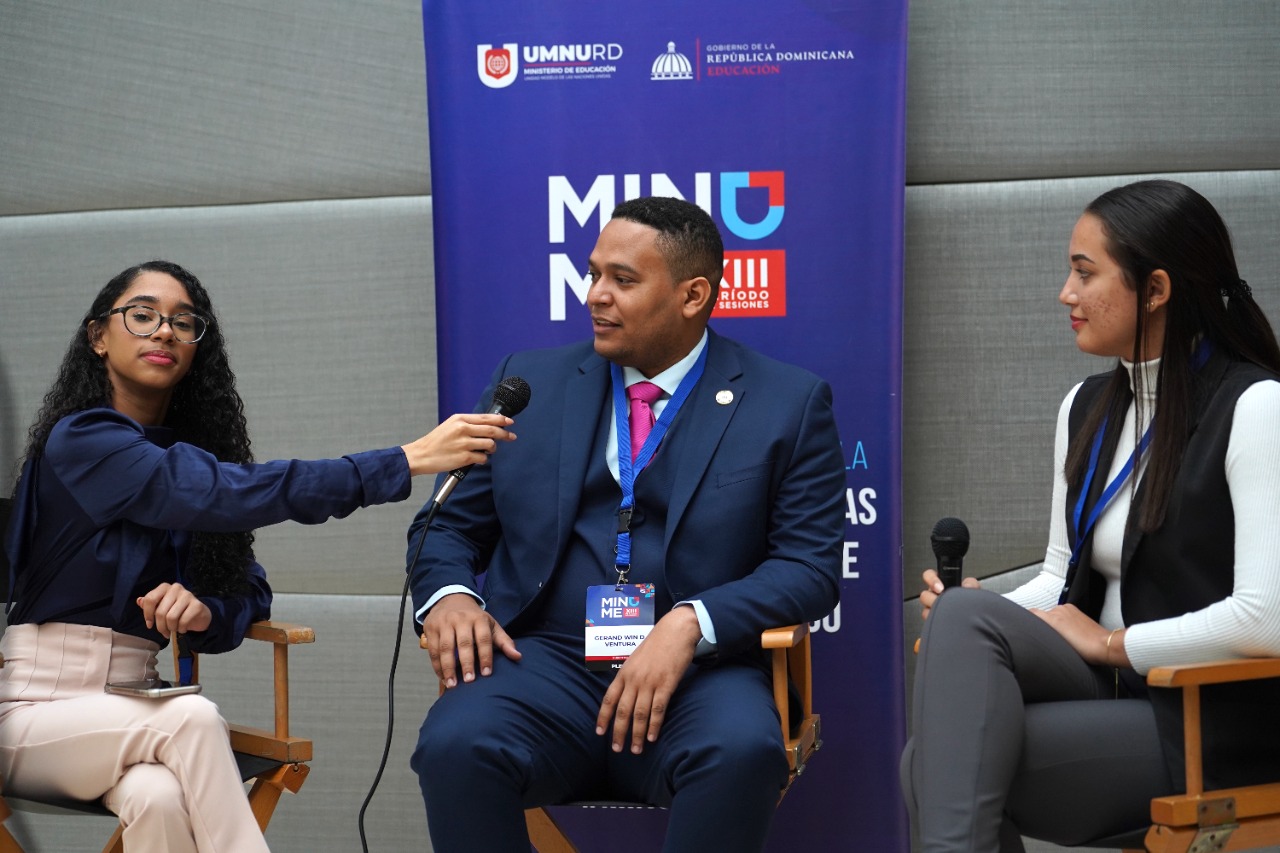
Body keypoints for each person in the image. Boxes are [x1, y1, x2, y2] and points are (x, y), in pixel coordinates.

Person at [0, 260, 515, 853]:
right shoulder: (84, 439)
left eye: (183, 322)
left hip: (133, 704)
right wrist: (403, 460)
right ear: (98, 336)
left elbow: (249, 590)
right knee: (193, 719)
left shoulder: (187, 458)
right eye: (142, 316)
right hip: (33, 707)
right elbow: (226, 492)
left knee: (157, 797)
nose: (164, 330)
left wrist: (205, 612)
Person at [408, 196, 845, 852]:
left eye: (623, 279)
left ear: (693, 296)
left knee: (742, 751)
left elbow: (809, 567)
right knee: (454, 742)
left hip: (701, 675)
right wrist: (449, 598)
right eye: (593, 274)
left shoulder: (787, 401)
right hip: (544, 662)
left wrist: (690, 623)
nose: (596, 295)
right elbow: (445, 527)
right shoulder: (528, 383)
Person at [901, 179, 1280, 851]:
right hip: (1109, 687)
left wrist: (1111, 644)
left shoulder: (1256, 407)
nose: (1065, 294)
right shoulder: (1085, 405)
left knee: (929, 765)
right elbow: (1059, 577)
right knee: (962, 615)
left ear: (1155, 289)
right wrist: (986, 609)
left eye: (1084, 273)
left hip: (1204, 714)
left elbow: (1266, 620)